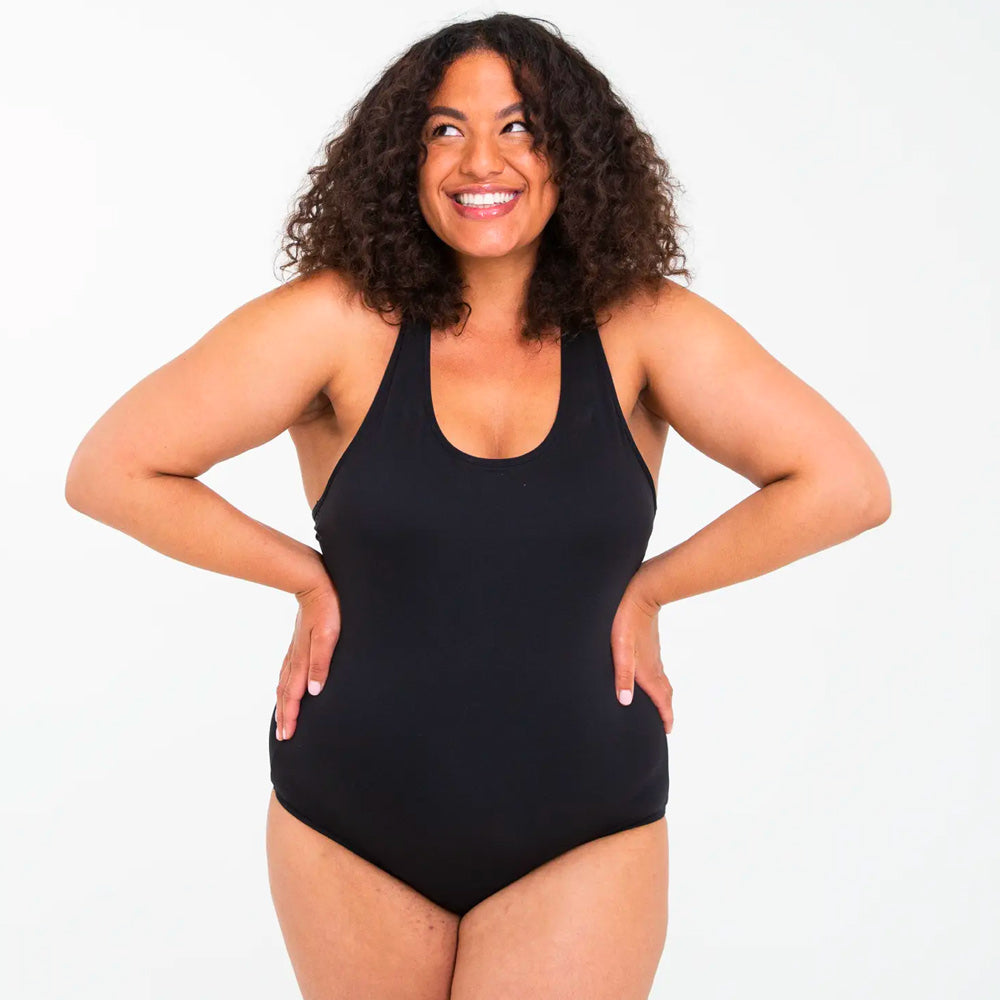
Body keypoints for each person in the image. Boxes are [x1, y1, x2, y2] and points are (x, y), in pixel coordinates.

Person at [65, 13, 891, 1000]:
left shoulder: (643, 329)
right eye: (444, 131)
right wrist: (300, 572)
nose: (479, 160)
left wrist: (654, 590)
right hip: (352, 820)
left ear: (571, 155)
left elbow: (846, 484)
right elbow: (110, 468)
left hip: (583, 824)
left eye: (520, 127)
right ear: (404, 160)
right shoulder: (334, 325)